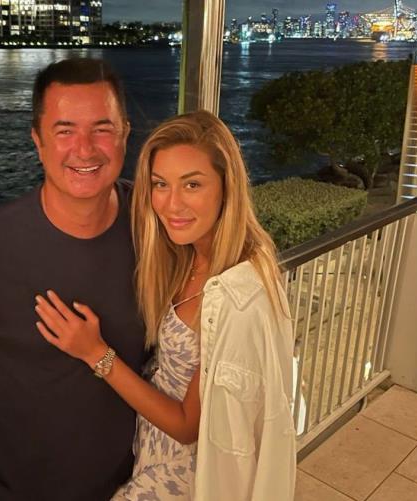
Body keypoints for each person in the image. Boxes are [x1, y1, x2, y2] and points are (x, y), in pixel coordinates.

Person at [0, 58, 145, 501]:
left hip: (129, 488)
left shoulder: (152, 225)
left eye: (102, 128)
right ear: (37, 140)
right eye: (64, 131)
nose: (84, 149)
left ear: (124, 134)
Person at [35, 110, 296, 500]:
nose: (172, 204)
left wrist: (95, 353)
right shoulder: (188, 256)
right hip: (148, 448)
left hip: (184, 472)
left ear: (227, 187)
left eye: (192, 184)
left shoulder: (235, 295)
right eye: (160, 184)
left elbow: (188, 425)